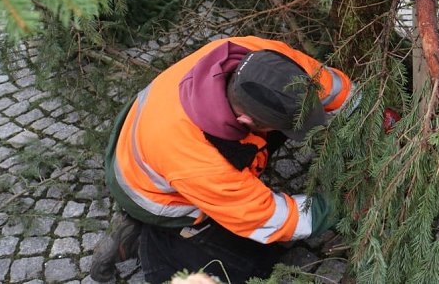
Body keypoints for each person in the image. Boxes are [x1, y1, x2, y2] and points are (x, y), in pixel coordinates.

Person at [89, 36, 359, 283]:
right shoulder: (197, 160)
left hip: (151, 142)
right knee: (253, 264)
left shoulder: (262, 60)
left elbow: (328, 86)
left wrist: (373, 113)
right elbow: (272, 219)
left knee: (270, 131)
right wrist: (346, 207)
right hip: (151, 193)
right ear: (245, 121)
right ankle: (147, 238)